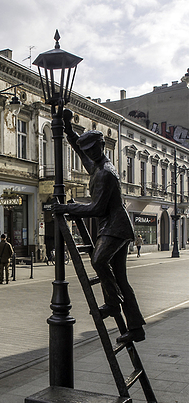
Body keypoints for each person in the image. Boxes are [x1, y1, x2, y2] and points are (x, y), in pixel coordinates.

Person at [52, 110, 146, 344]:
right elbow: (77, 147)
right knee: (121, 279)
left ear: (101, 146)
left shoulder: (104, 173)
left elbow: (96, 209)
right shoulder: (96, 165)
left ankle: (114, 305)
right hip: (114, 226)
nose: (89, 153)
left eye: (93, 149)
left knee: (98, 260)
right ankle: (135, 327)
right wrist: (67, 126)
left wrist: (67, 209)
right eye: (87, 151)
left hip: (115, 226)